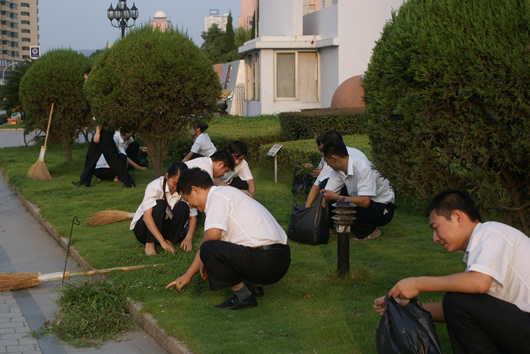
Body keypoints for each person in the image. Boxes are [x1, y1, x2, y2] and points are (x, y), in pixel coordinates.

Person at [373, 190, 530, 353]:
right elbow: (457, 309)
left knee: (456, 299)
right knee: (455, 301)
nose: (435, 238)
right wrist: (406, 307)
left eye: (436, 228)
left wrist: (418, 283)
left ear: (457, 216)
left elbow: (478, 284)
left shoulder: (490, 233)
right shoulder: (481, 252)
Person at [165, 168, 291, 310]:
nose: (190, 205)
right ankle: (253, 287)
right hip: (280, 257)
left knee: (208, 248)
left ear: (195, 189)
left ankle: (243, 297)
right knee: (218, 247)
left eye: (188, 199)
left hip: (267, 261)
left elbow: (210, 240)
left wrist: (190, 273)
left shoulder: (217, 198)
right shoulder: (227, 193)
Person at [72, 67, 135, 188]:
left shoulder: (98, 92)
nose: (85, 82)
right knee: (92, 155)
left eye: (86, 79)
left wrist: (97, 132)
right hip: (103, 129)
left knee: (112, 158)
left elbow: (101, 115)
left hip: (104, 130)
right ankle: (85, 180)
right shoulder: (96, 91)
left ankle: (128, 181)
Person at [320, 139, 394, 240]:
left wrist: (337, 197)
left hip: (382, 208)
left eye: (327, 161)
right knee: (326, 188)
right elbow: (327, 193)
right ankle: (328, 228)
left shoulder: (363, 167)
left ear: (334, 158)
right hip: (366, 201)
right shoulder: (338, 170)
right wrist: (316, 217)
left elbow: (365, 201)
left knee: (344, 201)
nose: (327, 165)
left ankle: (370, 231)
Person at [130, 162, 197, 256]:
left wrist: (188, 238)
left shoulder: (184, 189)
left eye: (180, 184)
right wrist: (162, 241)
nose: (176, 187)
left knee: (183, 206)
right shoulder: (154, 187)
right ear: (167, 176)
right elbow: (146, 217)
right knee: (160, 205)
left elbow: (193, 216)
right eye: (174, 183)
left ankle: (169, 241)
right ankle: (150, 244)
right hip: (143, 230)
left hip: (164, 228)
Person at [305, 130, 367, 207]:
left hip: (370, 201)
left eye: (323, 149)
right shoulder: (351, 152)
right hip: (359, 192)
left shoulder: (334, 158)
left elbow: (317, 186)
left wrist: (307, 208)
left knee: (324, 185)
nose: (322, 153)